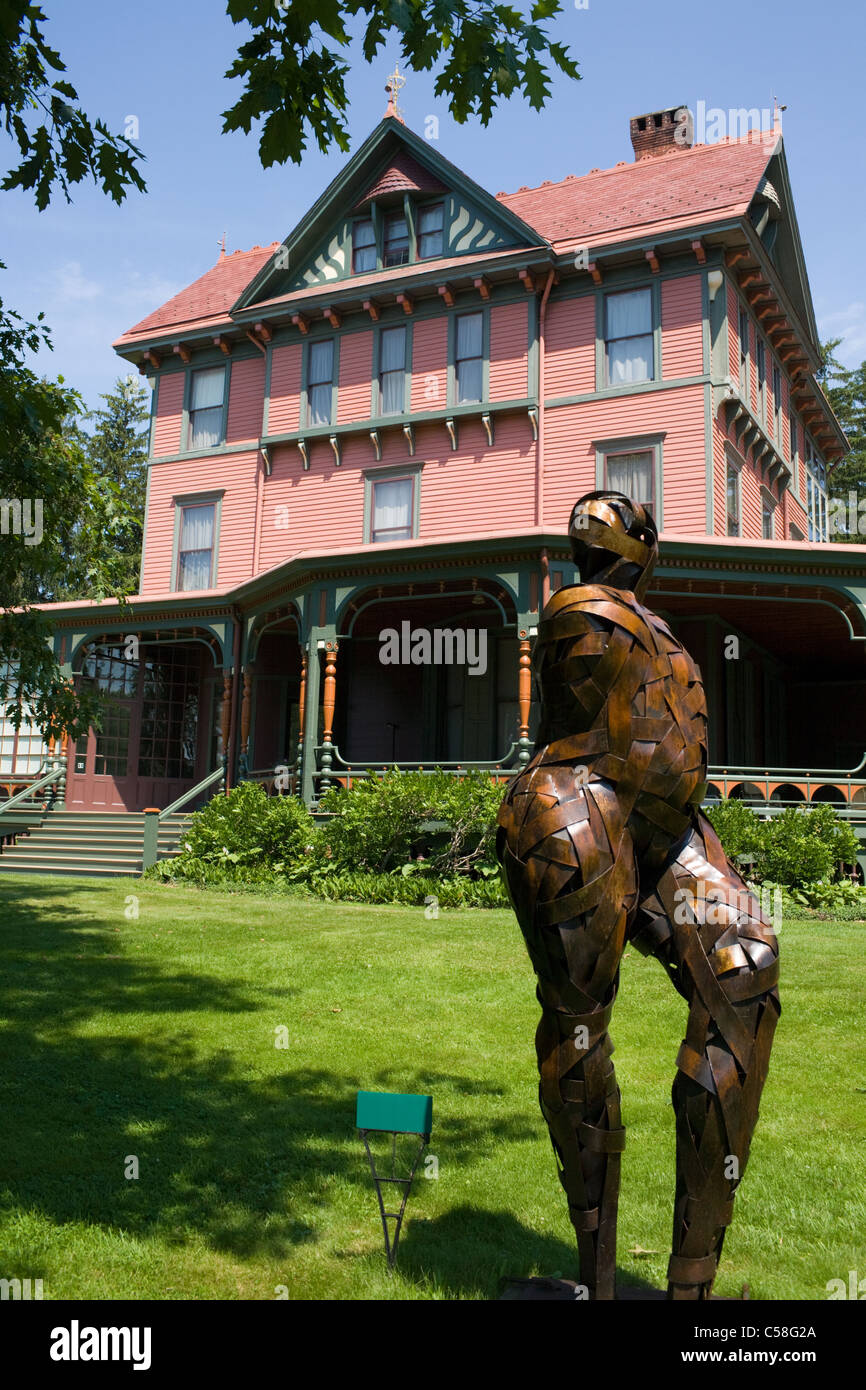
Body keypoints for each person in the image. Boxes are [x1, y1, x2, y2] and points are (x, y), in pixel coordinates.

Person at [497, 491, 780, 1300]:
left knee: (747, 965)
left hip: (667, 830)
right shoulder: (581, 607)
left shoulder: (661, 633)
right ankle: (596, 1275)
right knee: (581, 1028)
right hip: (582, 806)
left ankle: (689, 1288)